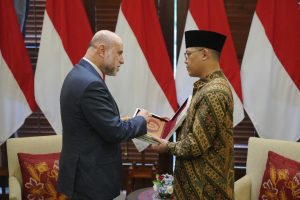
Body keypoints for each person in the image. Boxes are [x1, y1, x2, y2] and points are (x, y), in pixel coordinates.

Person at [57, 30, 151, 200]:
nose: (122, 60)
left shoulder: (78, 74)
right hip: (90, 178)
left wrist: (115, 121)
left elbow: (87, 122)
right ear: (101, 50)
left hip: (82, 174)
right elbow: (115, 132)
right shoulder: (91, 83)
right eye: (119, 53)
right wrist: (141, 119)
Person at [152, 30, 234, 199]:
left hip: (204, 189)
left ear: (204, 54)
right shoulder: (208, 86)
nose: (185, 60)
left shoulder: (213, 92)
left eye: (188, 54)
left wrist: (166, 146)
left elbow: (195, 144)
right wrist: (173, 124)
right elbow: (201, 130)